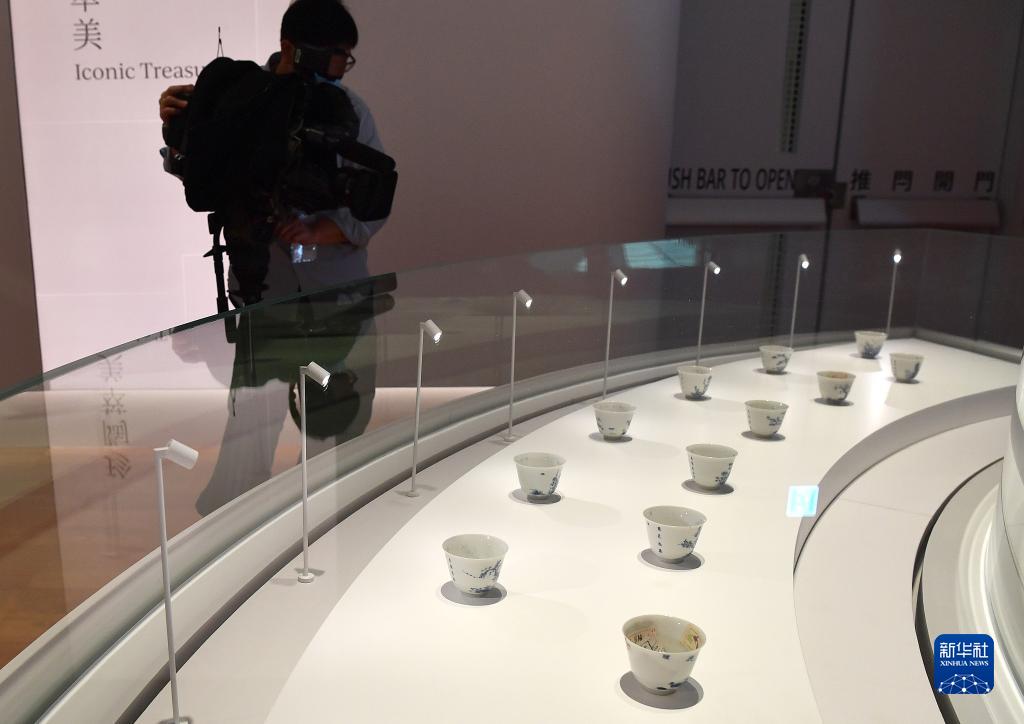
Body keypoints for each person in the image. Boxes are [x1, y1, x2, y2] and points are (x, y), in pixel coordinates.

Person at [159, 0, 388, 300]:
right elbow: (205, 174)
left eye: (344, 57)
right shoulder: (239, 96)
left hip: (337, 287)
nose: (336, 69)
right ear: (289, 48)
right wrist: (184, 133)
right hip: (261, 289)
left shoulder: (348, 111)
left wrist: (321, 231)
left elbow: (375, 201)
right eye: (331, 55)